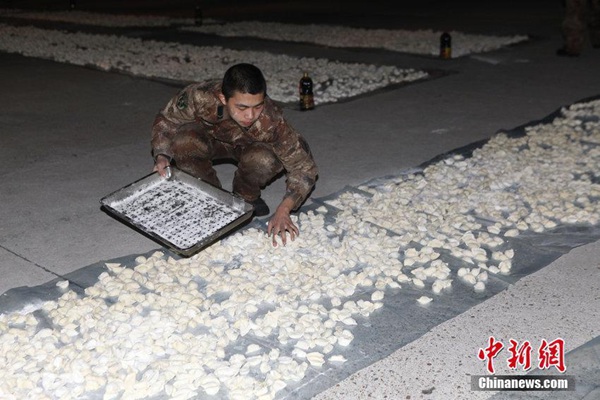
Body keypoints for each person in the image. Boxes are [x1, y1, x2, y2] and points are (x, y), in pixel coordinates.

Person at [151, 63, 318, 246]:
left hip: (249, 149)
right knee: (183, 142)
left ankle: (246, 197)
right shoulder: (200, 96)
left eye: (257, 106)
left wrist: (284, 209)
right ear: (223, 98)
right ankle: (210, 198)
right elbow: (168, 119)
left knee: (265, 159)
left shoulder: (271, 119)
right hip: (210, 141)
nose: (250, 115)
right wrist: (162, 155)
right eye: (242, 107)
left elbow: (303, 167)